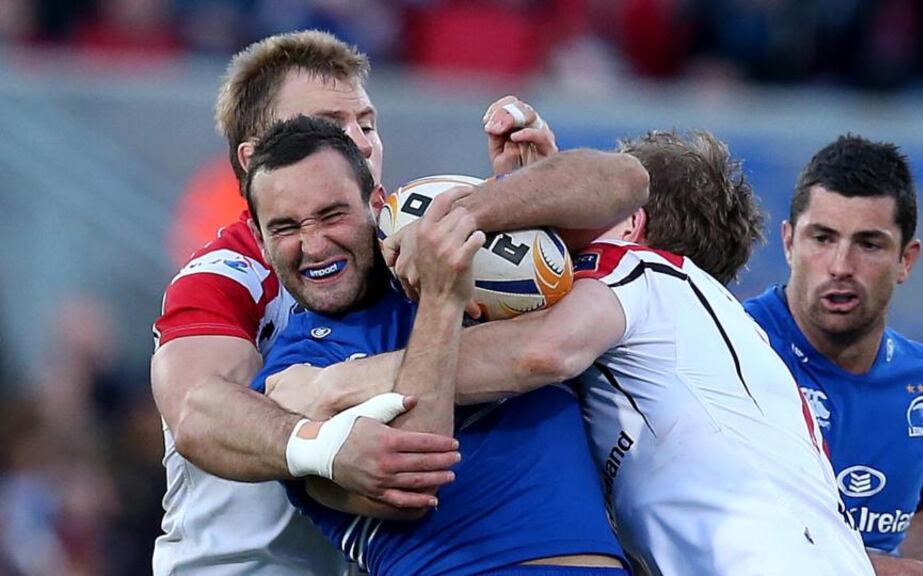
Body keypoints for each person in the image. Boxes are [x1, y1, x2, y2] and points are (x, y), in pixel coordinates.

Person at [150, 29, 646, 574]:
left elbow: (626, 183)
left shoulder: (413, 238)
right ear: (253, 158)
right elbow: (199, 411)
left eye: (366, 123)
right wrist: (322, 444)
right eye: (327, 125)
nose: (360, 142)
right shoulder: (226, 276)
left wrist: (519, 195)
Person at [270, 130, 874, 576]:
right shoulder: (677, 341)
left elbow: (539, 353)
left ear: (629, 224)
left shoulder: (638, 270)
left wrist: (338, 386)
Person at [247, 115, 630, 575]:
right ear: (259, 239)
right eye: (285, 228)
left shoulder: (473, 259)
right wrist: (442, 302)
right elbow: (416, 478)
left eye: (333, 215)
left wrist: (502, 197)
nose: (313, 245)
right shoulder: (291, 373)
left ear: (375, 203)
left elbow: (630, 181)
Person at [743, 134, 923, 576]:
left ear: (906, 261)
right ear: (788, 243)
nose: (840, 265)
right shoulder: (732, 352)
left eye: (868, 244)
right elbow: (759, 554)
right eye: (822, 238)